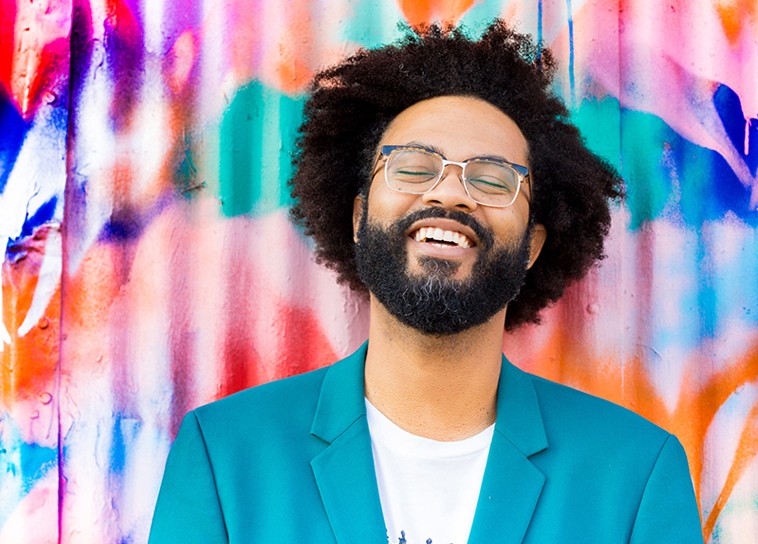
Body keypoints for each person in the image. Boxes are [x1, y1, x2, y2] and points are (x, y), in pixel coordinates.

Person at [150, 20, 703, 544]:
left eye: (492, 178)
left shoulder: (635, 473)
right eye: (413, 167)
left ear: (532, 247)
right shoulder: (224, 455)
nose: (450, 194)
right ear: (358, 218)